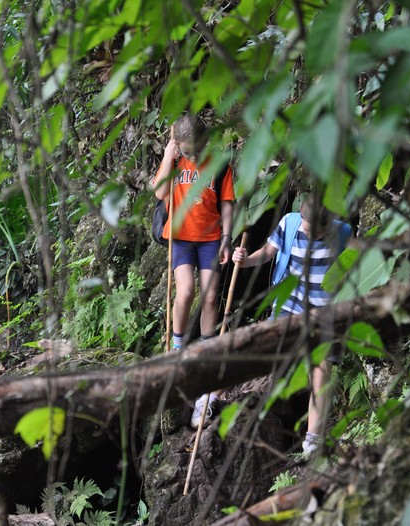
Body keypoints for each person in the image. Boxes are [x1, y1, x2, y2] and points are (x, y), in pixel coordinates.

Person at [233, 194, 352, 455]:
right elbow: (267, 253)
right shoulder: (289, 223)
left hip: (325, 313)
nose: (309, 235)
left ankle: (312, 441)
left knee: (320, 374)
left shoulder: (343, 233)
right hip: (289, 307)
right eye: (307, 229)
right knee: (256, 350)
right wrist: (245, 260)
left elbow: (355, 266)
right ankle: (212, 395)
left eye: (316, 232)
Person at [149, 115, 235, 428]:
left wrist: (227, 237)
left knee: (211, 295)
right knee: (185, 290)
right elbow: (159, 193)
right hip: (181, 237)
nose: (194, 156)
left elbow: (227, 202)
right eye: (188, 151)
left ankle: (209, 345)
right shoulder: (175, 159)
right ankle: (177, 346)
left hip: (211, 238)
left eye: (196, 150)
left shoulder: (219, 163)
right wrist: (169, 156)